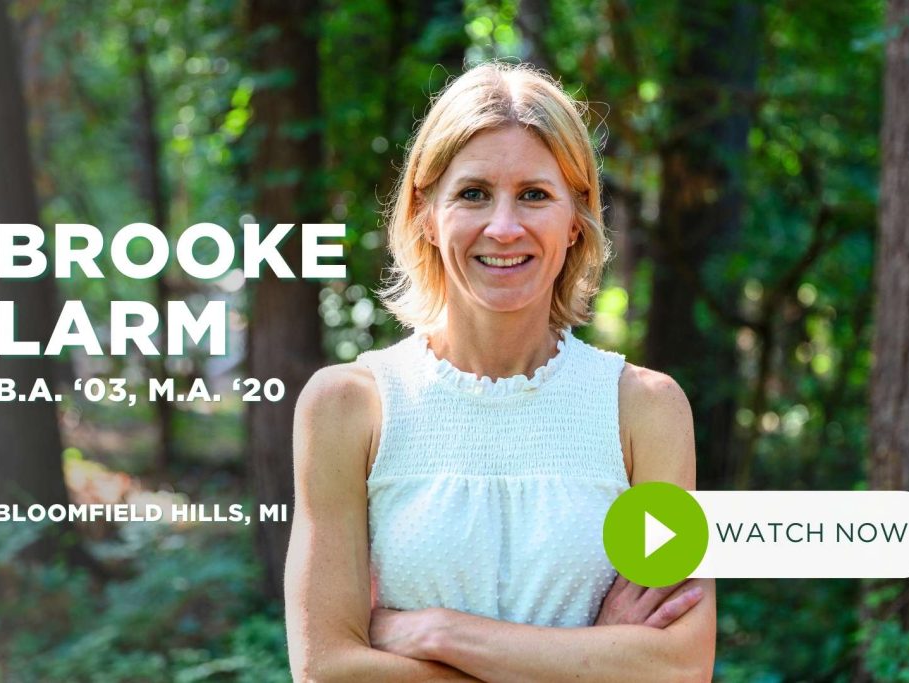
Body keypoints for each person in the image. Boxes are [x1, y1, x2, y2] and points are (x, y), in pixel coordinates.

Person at [285, 62, 716, 682]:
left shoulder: (645, 410)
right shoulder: (349, 407)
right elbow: (327, 670)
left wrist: (439, 632)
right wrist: (592, 659)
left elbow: (678, 669)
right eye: (473, 193)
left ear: (576, 219)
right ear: (426, 214)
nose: (504, 227)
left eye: (535, 195)